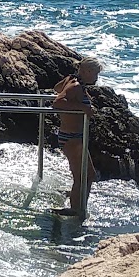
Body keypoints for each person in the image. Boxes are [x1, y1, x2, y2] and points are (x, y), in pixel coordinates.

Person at [51, 57, 100, 217]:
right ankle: (76, 210)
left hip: (74, 136)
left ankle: (78, 206)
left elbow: (57, 87)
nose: (97, 78)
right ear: (86, 71)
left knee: (88, 174)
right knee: (82, 176)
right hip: (72, 137)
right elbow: (58, 102)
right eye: (95, 73)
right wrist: (83, 107)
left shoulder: (71, 80)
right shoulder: (76, 85)